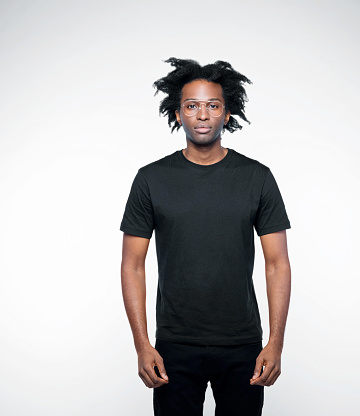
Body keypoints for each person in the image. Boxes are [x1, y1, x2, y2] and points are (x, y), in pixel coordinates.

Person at [120, 58, 292, 416]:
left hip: (242, 344)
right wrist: (142, 345)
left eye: (213, 106)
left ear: (227, 114)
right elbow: (132, 265)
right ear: (178, 113)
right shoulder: (151, 179)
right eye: (192, 106)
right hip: (174, 346)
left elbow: (277, 264)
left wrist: (275, 343)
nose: (202, 115)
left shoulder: (256, 177)